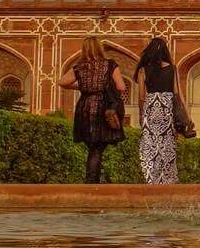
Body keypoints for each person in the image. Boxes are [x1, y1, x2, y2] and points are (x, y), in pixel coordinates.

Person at [58, 35, 127, 183]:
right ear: (99, 48)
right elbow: (121, 87)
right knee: (97, 148)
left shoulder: (79, 67)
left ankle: (92, 180)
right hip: (103, 107)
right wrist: (105, 87)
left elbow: (62, 82)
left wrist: (82, 86)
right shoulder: (109, 65)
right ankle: (91, 183)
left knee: (93, 147)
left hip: (84, 107)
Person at [134, 37, 180, 185]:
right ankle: (167, 180)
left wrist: (141, 115)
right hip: (167, 107)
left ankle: (151, 179)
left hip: (151, 105)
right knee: (167, 144)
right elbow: (177, 93)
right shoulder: (173, 68)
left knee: (149, 144)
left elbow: (141, 97)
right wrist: (184, 115)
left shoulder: (143, 70)